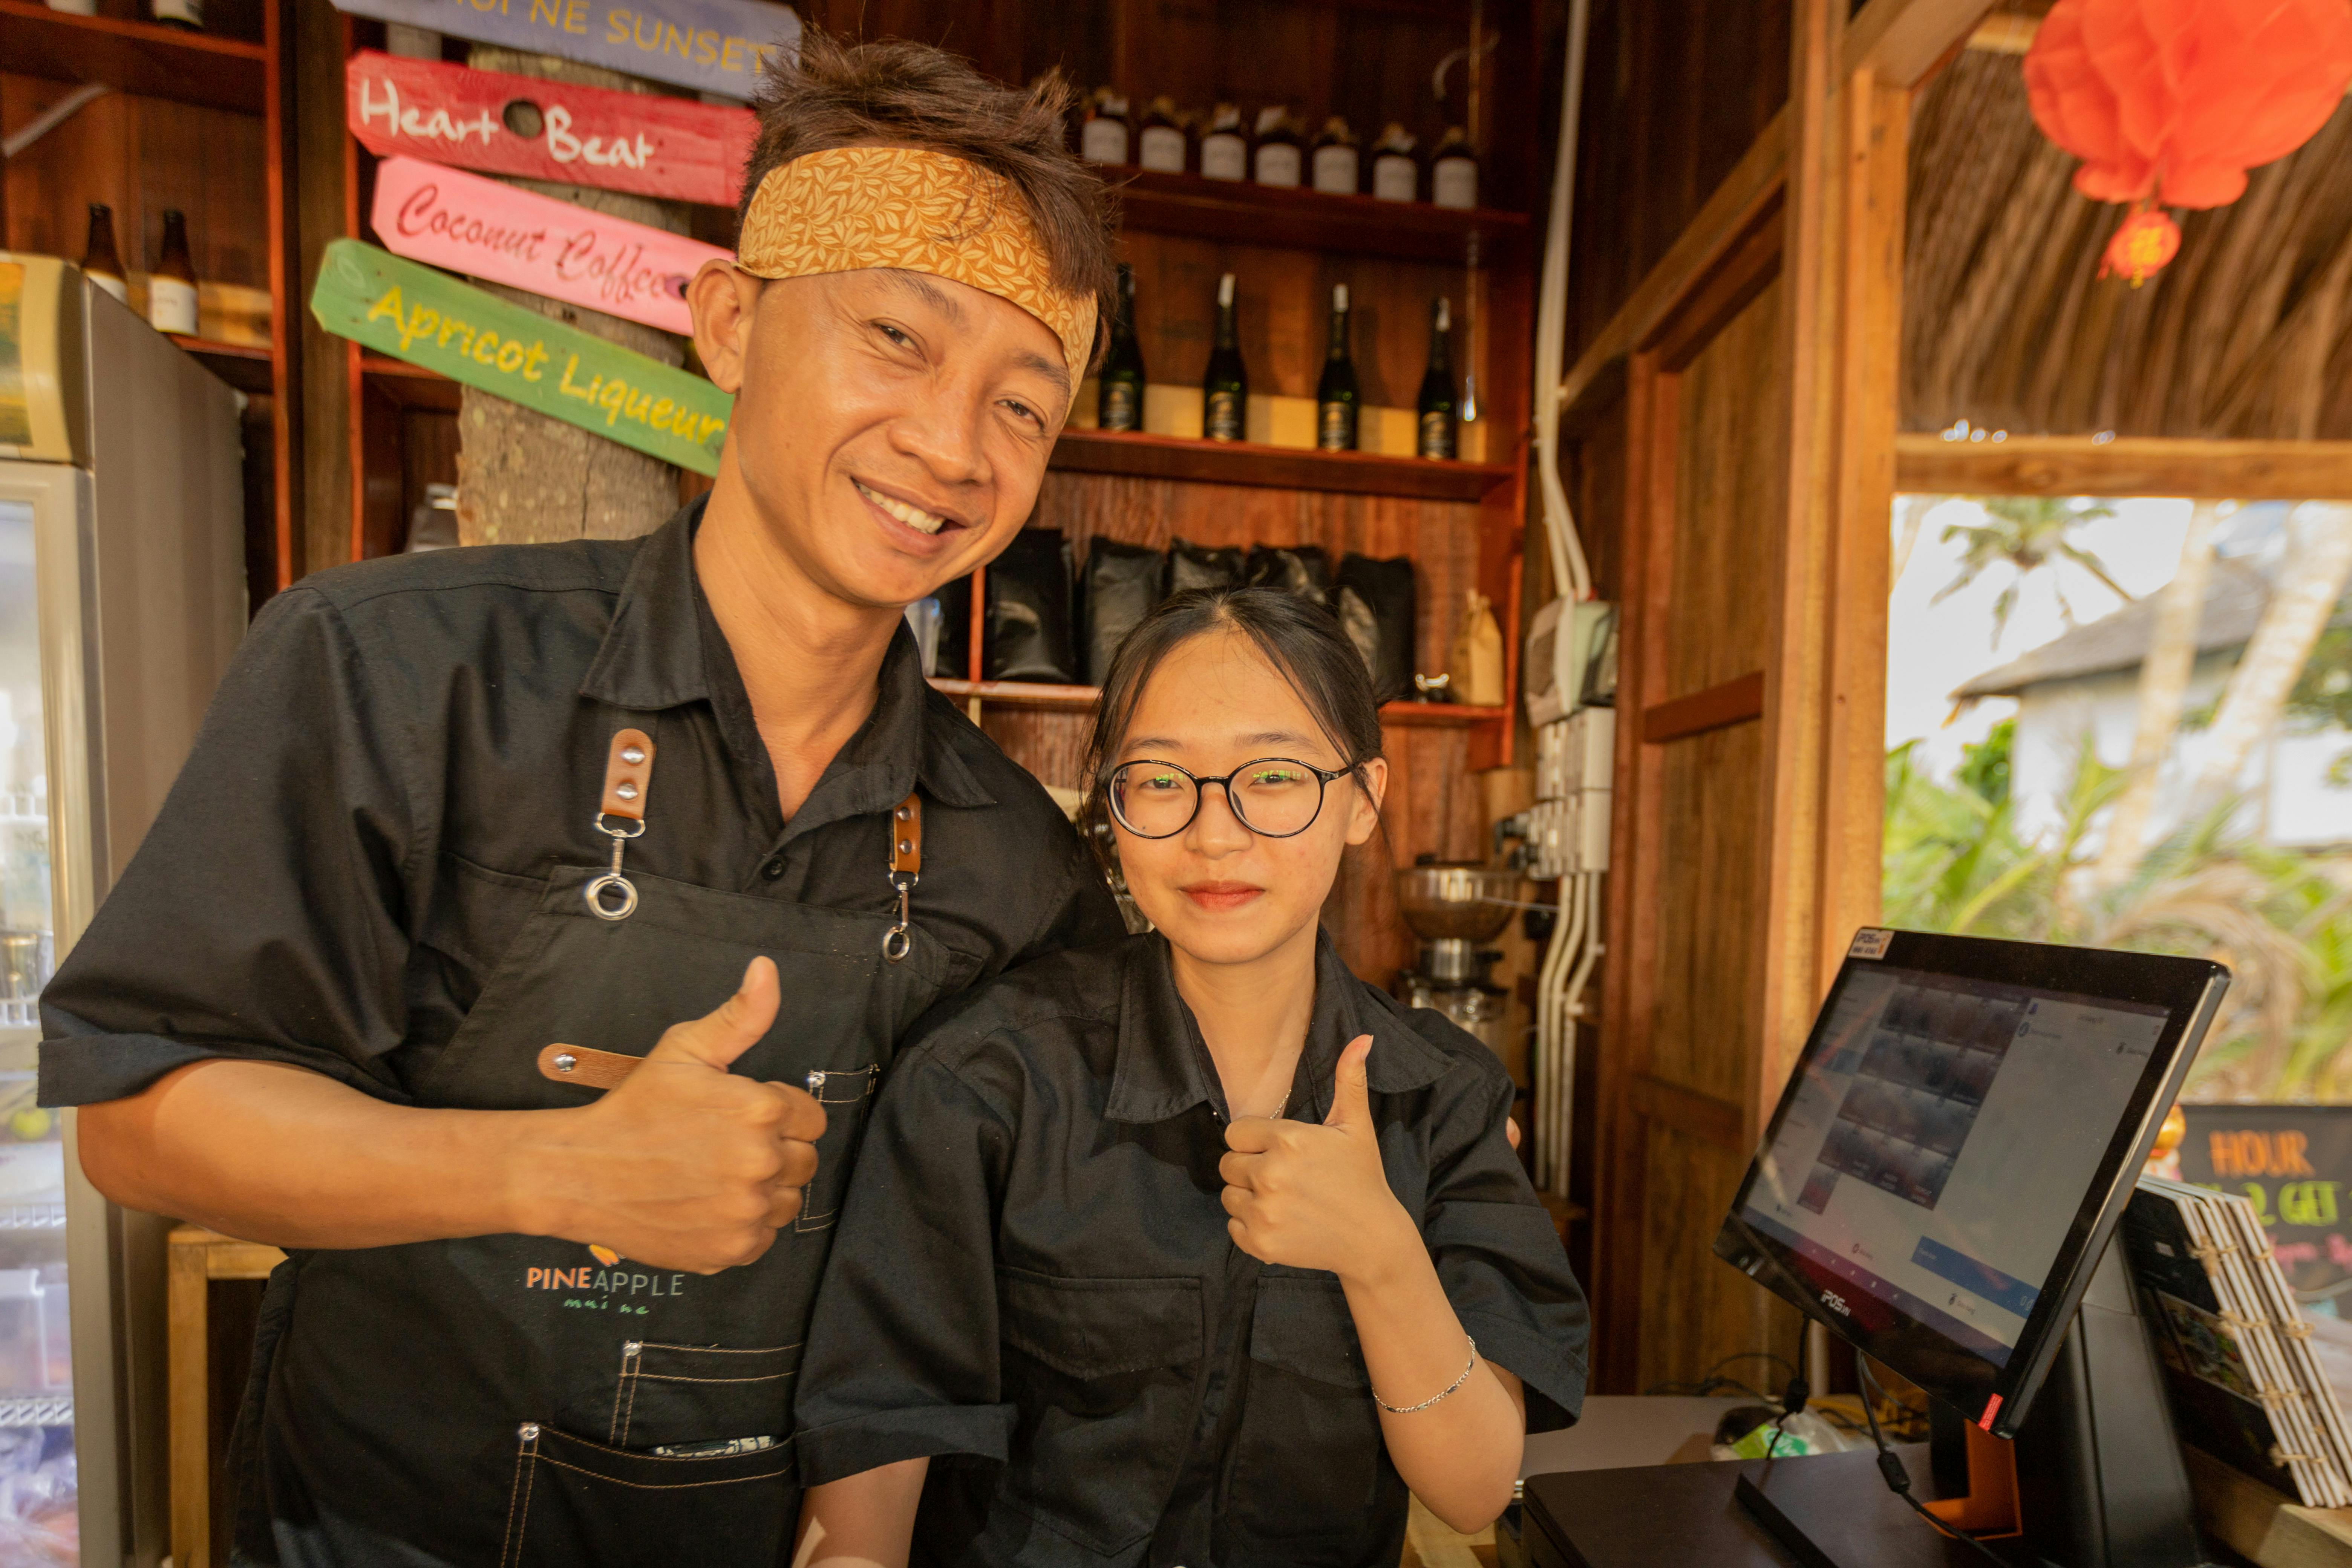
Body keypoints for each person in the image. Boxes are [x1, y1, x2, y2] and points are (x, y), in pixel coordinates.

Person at [37, 32, 1127, 1568]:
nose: (953, 445)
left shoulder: (1014, 858)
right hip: (386, 1530)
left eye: (1025, 404)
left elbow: (964, 1261)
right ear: (732, 323)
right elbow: (142, 1119)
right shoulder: (399, 669)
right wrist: (552, 1166)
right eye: (897, 337)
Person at [788, 588, 1589, 1568]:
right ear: (1112, 806)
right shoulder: (986, 1077)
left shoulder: (1444, 1094)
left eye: (1276, 775)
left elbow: (1472, 1489)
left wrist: (1380, 1253)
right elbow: (880, 1429)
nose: (1216, 835)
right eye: (1162, 781)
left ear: (1364, 798)